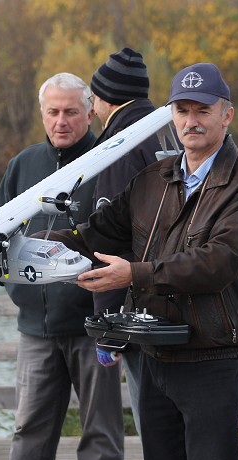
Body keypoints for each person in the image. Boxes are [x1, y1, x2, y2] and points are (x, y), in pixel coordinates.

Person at [46, 63, 238, 460]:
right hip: (155, 354)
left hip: (213, 357)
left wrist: (135, 276)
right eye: (183, 110)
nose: (191, 121)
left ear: (226, 115)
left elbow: (218, 262)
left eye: (202, 110)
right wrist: (30, 248)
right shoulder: (154, 177)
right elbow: (98, 233)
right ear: (171, 116)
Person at [0, 72, 124, 460]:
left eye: (70, 111)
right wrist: (15, 287)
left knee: (101, 433)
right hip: (35, 331)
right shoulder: (23, 165)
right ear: (42, 114)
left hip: (93, 327)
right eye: (53, 112)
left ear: (89, 113)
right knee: (29, 431)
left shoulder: (109, 162)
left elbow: (128, 240)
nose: (61, 121)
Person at [88, 47, 162, 436]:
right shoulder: (162, 132)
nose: (93, 108)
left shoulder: (118, 148)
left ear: (107, 98)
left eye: (94, 97)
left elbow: (109, 239)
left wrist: (108, 327)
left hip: (137, 310)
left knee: (155, 429)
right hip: (171, 299)